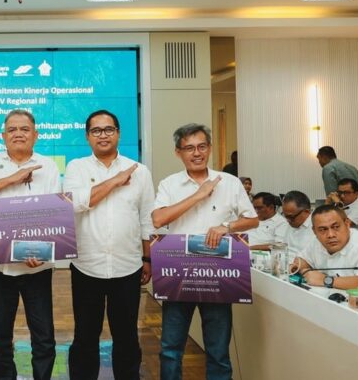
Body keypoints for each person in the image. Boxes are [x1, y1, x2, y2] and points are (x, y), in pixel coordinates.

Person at [151, 123, 257, 380]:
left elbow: (252, 220)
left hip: (217, 274)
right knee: (170, 349)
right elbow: (158, 219)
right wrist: (199, 195)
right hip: (178, 273)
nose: (196, 153)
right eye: (189, 148)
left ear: (209, 148)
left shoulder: (230, 182)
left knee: (218, 351)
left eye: (201, 146)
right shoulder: (169, 184)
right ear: (178, 152)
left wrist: (227, 226)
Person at [0, 109, 61, 380]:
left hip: (37, 266)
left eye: (25, 129)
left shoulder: (48, 166)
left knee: (44, 337)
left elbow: (55, 213)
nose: (18, 134)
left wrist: (41, 251)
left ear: (36, 135)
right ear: (3, 136)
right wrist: (11, 179)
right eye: (12, 129)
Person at [63, 109, 155, 380]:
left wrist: (147, 258)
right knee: (85, 336)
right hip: (86, 265)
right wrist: (115, 181)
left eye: (108, 129)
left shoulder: (140, 172)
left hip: (128, 265)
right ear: (87, 137)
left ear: (118, 133)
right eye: (96, 130)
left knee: (126, 336)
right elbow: (74, 204)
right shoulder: (76, 167)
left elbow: (147, 218)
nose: (102, 135)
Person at [293, 204, 358, 289]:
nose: (330, 235)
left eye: (336, 227)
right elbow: (302, 260)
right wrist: (296, 267)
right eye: (322, 229)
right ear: (314, 231)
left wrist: (325, 280)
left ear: (347, 224)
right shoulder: (316, 242)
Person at [280, 191, 317, 259]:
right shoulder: (291, 223)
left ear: (306, 212)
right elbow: (284, 248)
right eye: (285, 216)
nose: (288, 220)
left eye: (291, 217)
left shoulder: (317, 225)